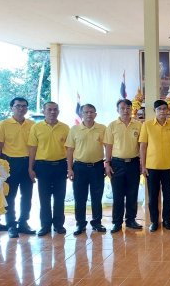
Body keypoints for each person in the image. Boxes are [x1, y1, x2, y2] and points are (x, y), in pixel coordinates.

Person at [28, 102, 70, 236]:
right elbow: (33, 148)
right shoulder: (37, 127)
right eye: (49, 109)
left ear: (58, 111)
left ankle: (58, 224)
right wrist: (30, 168)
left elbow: (70, 149)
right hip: (42, 166)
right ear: (44, 111)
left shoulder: (65, 127)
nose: (52, 112)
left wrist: (70, 167)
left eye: (55, 110)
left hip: (60, 165)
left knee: (60, 197)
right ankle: (45, 225)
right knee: (44, 197)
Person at [139, 100, 170, 232]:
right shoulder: (147, 125)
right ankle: (154, 222)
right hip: (152, 167)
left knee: (168, 195)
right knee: (152, 196)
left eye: (164, 109)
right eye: (159, 109)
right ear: (154, 111)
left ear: (168, 110)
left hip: (169, 167)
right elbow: (143, 146)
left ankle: (167, 221)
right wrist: (143, 165)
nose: (162, 111)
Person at [65, 104, 107, 235]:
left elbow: (108, 147)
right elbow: (70, 150)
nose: (89, 114)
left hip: (97, 166)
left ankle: (96, 222)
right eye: (86, 112)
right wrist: (70, 169)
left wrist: (107, 164)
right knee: (80, 197)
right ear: (81, 114)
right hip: (79, 167)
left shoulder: (102, 128)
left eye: (91, 112)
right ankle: (80, 224)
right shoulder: (74, 129)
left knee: (97, 196)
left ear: (95, 114)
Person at [103, 99, 143, 233]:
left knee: (132, 193)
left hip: (133, 163)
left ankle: (131, 220)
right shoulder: (112, 126)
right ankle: (117, 222)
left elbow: (142, 146)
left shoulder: (138, 125)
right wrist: (107, 163)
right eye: (122, 108)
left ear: (132, 109)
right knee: (118, 194)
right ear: (118, 110)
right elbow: (108, 146)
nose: (125, 110)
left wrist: (143, 163)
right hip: (117, 163)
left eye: (128, 108)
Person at [0, 97, 36, 238]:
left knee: (27, 195)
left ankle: (24, 223)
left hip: (28, 163)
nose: (21, 108)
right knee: (10, 195)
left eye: (24, 106)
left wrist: (32, 165)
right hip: (9, 164)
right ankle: (11, 225)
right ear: (11, 108)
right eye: (18, 106)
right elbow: (0, 146)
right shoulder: (3, 125)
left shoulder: (32, 125)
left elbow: (35, 146)